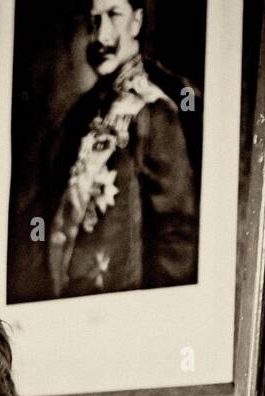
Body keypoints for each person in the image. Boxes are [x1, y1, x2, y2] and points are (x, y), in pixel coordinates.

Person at [41, 0, 199, 300]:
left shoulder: (155, 110)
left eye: (114, 15)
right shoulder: (79, 116)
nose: (101, 37)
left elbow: (177, 237)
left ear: (136, 22)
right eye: (94, 21)